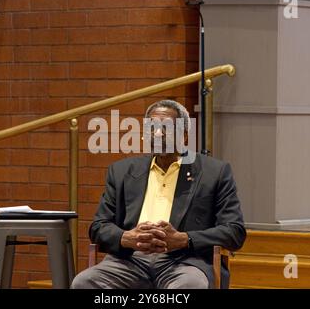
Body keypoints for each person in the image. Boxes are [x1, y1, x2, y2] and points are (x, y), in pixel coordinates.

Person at [71, 99, 246, 289]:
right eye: (151, 128)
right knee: (83, 282)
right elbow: (98, 227)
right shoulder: (122, 171)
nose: (157, 133)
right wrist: (127, 237)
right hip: (129, 261)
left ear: (185, 136)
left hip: (184, 262)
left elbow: (234, 231)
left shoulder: (214, 172)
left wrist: (184, 239)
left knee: (189, 285)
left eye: (166, 128)